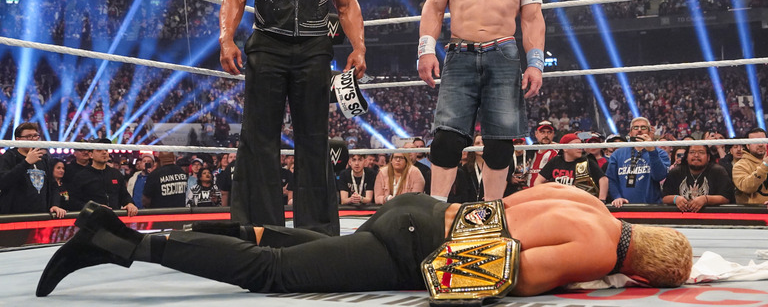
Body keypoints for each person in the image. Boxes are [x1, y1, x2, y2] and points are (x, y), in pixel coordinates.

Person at [37, 184, 693, 300]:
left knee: (292, 249)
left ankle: (135, 231)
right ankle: (115, 241)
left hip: (421, 211)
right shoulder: (599, 251)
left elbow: (507, 210)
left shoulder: (592, 205)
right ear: (642, 272)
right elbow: (512, 275)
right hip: (417, 246)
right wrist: (575, 276)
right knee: (274, 272)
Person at [218, 0, 366, 235]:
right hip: (267, 43)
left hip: (314, 48)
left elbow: (346, 3)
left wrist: (359, 46)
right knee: (258, 137)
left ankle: (316, 230)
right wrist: (226, 39)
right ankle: (258, 226)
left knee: (315, 138)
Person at [418, 0, 545, 204]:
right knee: (446, 138)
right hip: (459, 53)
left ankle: (491, 213)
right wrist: (426, 50)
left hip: (503, 53)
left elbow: (531, 18)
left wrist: (536, 63)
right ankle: (435, 212)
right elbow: (433, 6)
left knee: (500, 141)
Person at [0, 123, 66, 218]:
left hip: (41, 215)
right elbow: (3, 182)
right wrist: (26, 163)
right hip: (15, 216)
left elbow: (53, 185)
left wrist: (55, 204)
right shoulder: (9, 156)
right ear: (18, 139)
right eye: (28, 136)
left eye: (35, 136)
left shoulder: (43, 159)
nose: (33, 139)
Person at [605, 117, 671, 207]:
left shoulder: (660, 153)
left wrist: (652, 152)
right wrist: (617, 197)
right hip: (624, 206)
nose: (639, 130)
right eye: (635, 128)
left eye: (643, 128)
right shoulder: (617, 154)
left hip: (651, 207)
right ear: (630, 132)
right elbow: (611, 179)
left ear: (649, 132)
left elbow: (659, 176)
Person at [68, 138, 138, 216]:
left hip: (113, 220)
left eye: (106, 150)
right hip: (91, 221)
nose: (104, 152)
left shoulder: (116, 174)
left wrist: (129, 203)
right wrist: (93, 208)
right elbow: (73, 201)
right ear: (91, 155)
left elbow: (124, 195)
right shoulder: (81, 176)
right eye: (99, 150)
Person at [534, 133, 608, 201]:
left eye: (581, 145)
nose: (580, 148)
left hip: (580, 202)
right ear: (565, 148)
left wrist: (601, 200)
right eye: (576, 145)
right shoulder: (555, 161)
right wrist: (545, 195)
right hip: (557, 202)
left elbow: (603, 179)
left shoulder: (587, 161)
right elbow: (538, 181)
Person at [662, 143, 734, 212]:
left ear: (708, 157)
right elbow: (664, 198)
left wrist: (706, 199)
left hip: (711, 217)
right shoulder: (676, 172)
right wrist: (675, 199)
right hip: (681, 218)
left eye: (701, 152)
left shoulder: (718, 171)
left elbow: (726, 198)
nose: (696, 155)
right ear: (686, 157)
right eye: (692, 152)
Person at [732, 127, 768, 212]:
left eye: (763, 141)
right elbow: (746, 188)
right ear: (748, 145)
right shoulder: (740, 166)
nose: (760, 144)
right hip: (753, 212)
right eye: (756, 141)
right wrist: (765, 166)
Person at [526, 121, 558, 187]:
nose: (546, 135)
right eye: (542, 132)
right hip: (527, 192)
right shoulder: (529, 152)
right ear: (536, 134)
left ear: (553, 134)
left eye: (549, 132)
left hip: (546, 193)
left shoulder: (557, 153)